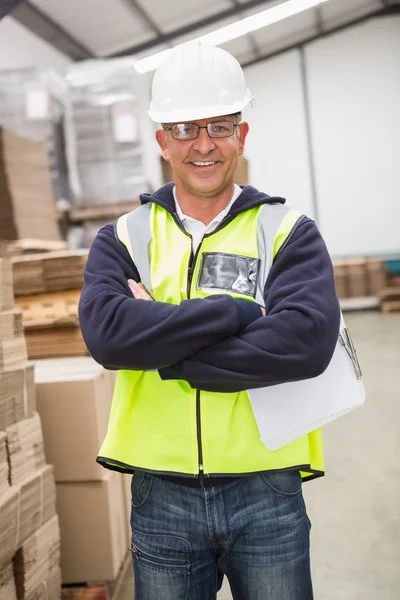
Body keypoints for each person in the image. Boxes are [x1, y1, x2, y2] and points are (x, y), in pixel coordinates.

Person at [79, 41, 340, 600]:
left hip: (266, 487)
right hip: (161, 495)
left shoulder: (288, 232)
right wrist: (240, 313)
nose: (203, 145)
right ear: (161, 142)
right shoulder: (123, 238)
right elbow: (108, 336)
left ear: (241, 136)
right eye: (183, 129)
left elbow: (305, 343)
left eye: (219, 126)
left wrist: (163, 342)